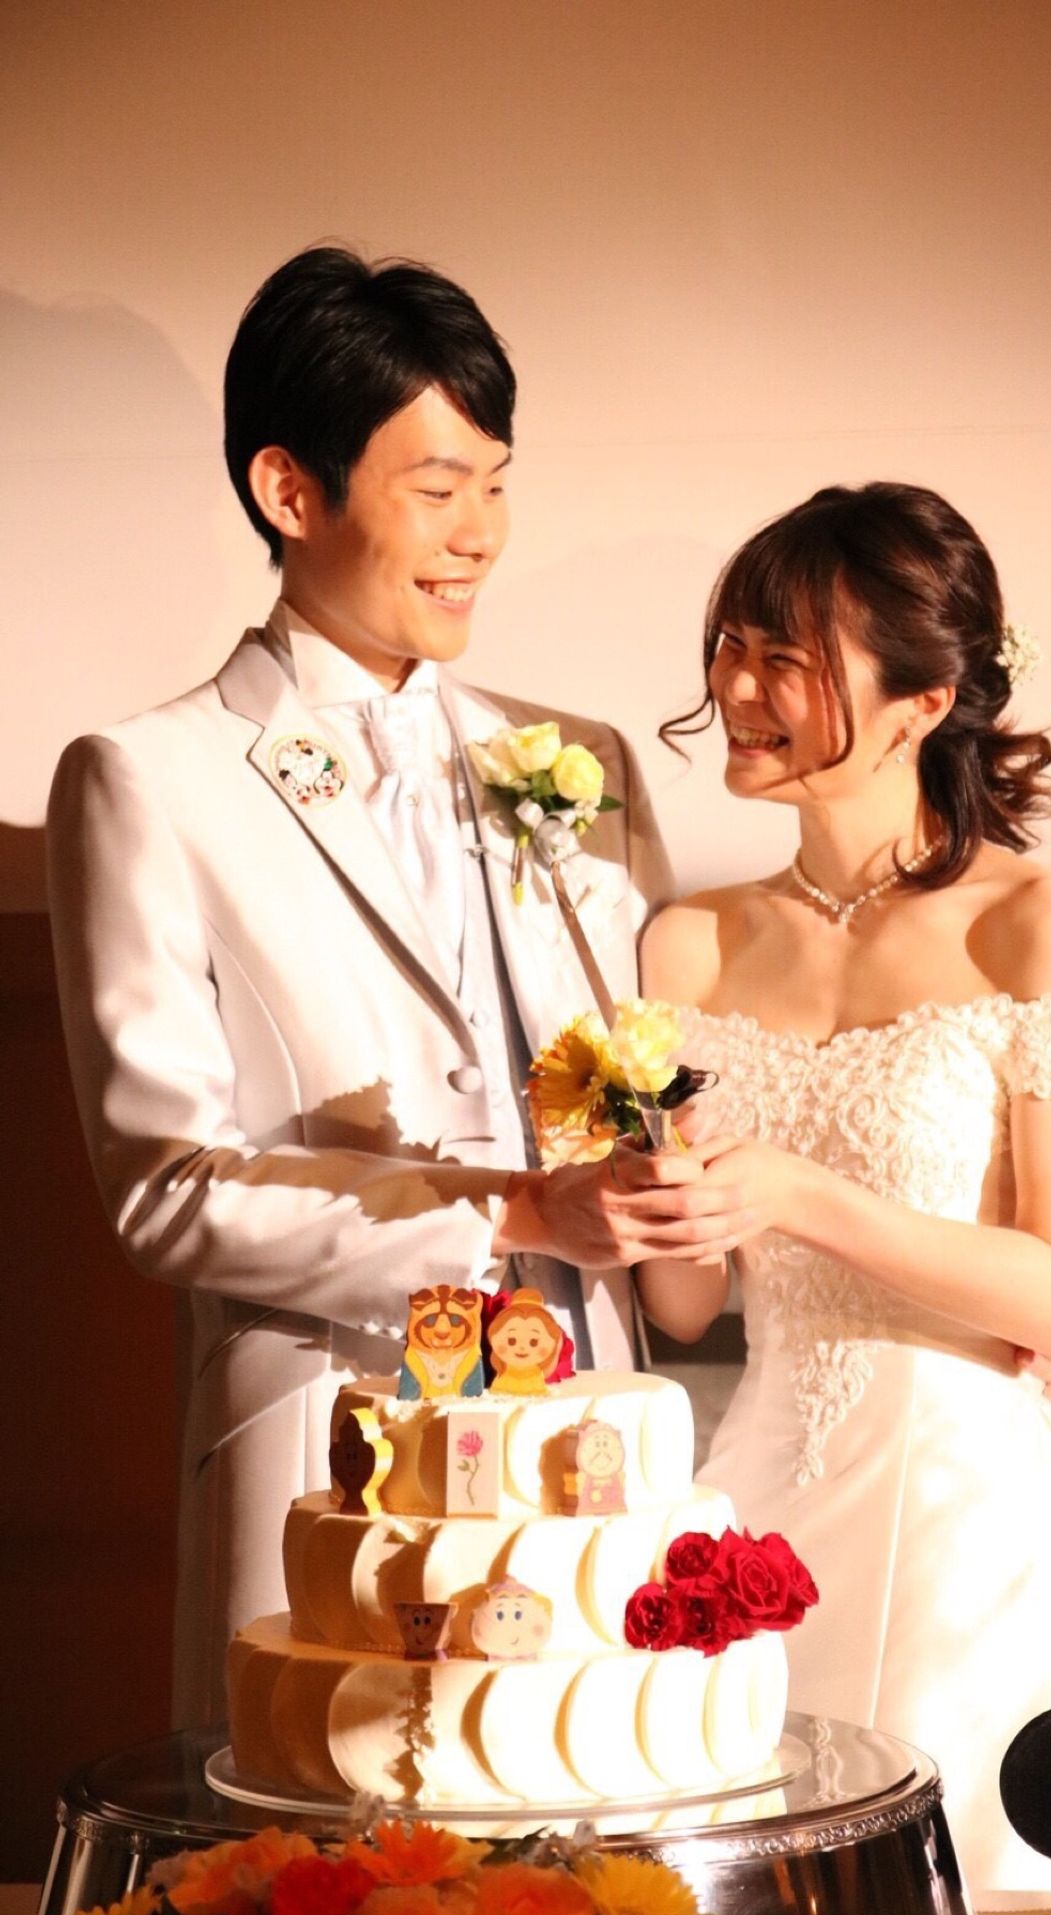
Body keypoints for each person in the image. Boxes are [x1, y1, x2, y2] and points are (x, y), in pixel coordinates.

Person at [45, 245, 753, 1727]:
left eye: (496, 483)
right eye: (436, 489)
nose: (478, 534)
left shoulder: (581, 761)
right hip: (336, 1439)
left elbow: (642, 1079)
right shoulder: (150, 780)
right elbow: (165, 1189)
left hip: (590, 1437)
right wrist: (515, 1211)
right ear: (288, 491)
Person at [638, 482, 1051, 1895]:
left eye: (785, 657)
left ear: (922, 700)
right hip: (758, 1489)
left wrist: (798, 1192)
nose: (736, 688)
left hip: (975, 1512)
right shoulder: (688, 941)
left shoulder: (1035, 926)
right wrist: (639, 1180)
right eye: (731, 646)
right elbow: (681, 1305)